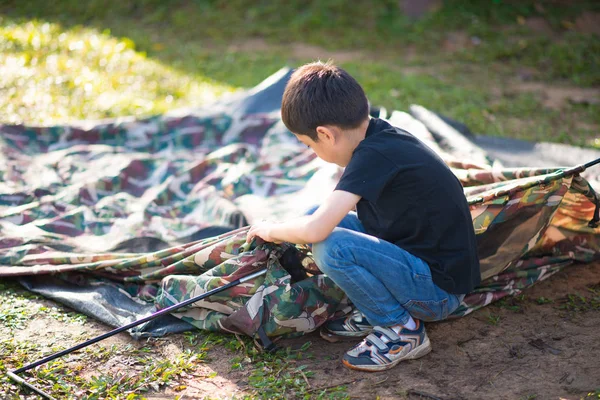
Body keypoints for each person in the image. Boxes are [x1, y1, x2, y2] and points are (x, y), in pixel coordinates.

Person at [246, 61, 480, 372]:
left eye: (308, 145)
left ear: (325, 135)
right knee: (320, 217)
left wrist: (271, 230)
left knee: (331, 245)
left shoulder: (372, 158)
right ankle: (377, 310)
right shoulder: (379, 137)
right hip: (416, 261)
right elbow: (322, 218)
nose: (312, 152)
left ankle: (400, 328)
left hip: (437, 292)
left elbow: (317, 231)